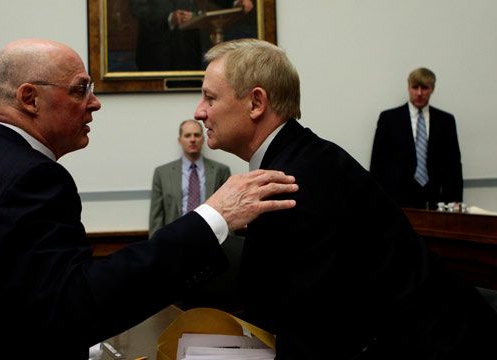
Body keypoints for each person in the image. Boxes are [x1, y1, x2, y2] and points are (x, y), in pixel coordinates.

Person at [0, 38, 299, 360]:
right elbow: (74, 305)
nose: (95, 103)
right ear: (30, 99)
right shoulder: (34, 177)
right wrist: (213, 217)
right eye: (81, 89)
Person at [194, 38, 497, 359]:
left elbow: (315, 332)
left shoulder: (291, 181)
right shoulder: (300, 157)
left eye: (210, 98)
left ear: (256, 103)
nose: (199, 112)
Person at [370, 67, 463, 209]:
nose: (419, 93)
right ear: (408, 88)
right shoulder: (389, 119)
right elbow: (378, 163)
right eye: (415, 87)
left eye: (424, 88)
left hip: (435, 198)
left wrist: (456, 200)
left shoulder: (445, 121)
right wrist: (377, 199)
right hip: (397, 198)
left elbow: (453, 163)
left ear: (432, 89)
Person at [149, 119, 231, 236]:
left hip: (211, 238)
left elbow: (228, 211)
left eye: (196, 135)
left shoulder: (220, 171)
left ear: (202, 139)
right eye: (187, 135)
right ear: (180, 140)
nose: (192, 139)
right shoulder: (162, 173)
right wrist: (155, 248)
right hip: (175, 240)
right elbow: (156, 218)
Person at [129, 0, 254, 71]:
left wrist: (236, 1)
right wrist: (170, 17)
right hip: (155, 54)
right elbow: (137, 8)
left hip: (188, 52)